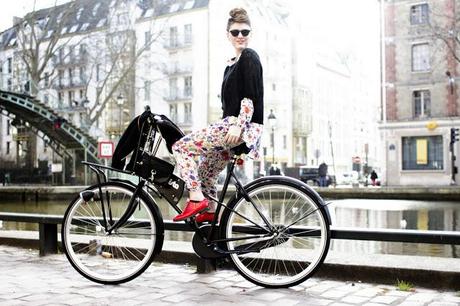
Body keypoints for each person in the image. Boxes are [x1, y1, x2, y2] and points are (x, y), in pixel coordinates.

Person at [171, 8, 264, 223]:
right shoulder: (231, 65)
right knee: (205, 173)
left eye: (245, 31)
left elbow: (249, 97)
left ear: (250, 33)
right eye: (235, 32)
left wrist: (238, 126)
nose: (240, 36)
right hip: (230, 126)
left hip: (239, 126)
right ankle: (211, 212)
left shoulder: (249, 57)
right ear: (228, 35)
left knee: (180, 147)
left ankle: (195, 198)